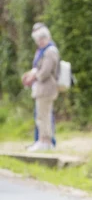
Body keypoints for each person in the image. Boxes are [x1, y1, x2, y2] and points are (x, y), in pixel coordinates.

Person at [21, 23, 60, 152]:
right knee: (41, 116)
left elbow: (45, 72)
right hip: (42, 89)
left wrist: (34, 77)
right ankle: (42, 140)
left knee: (44, 116)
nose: (39, 43)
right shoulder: (43, 51)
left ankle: (46, 141)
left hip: (47, 89)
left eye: (40, 40)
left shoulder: (50, 51)